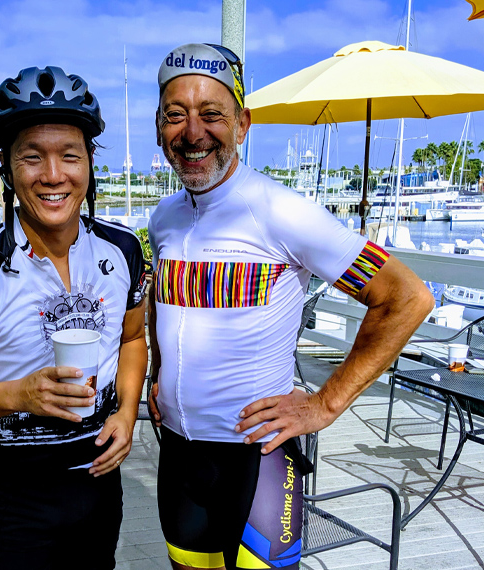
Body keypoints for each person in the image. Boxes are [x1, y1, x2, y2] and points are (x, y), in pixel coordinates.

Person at [146, 43, 434, 570]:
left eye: (212, 114)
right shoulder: (164, 217)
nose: (193, 133)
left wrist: (326, 403)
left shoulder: (283, 211)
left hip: (259, 459)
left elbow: (406, 296)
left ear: (242, 124)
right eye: (175, 116)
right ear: (158, 125)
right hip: (180, 454)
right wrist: (158, 374)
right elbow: (160, 299)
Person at [0, 65, 149, 569]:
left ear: (90, 162)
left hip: (100, 486)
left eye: (70, 155)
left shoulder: (125, 250)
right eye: (32, 157)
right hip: (18, 500)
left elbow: (133, 339)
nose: (53, 175)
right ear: (6, 167)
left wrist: (128, 414)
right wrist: (20, 394)